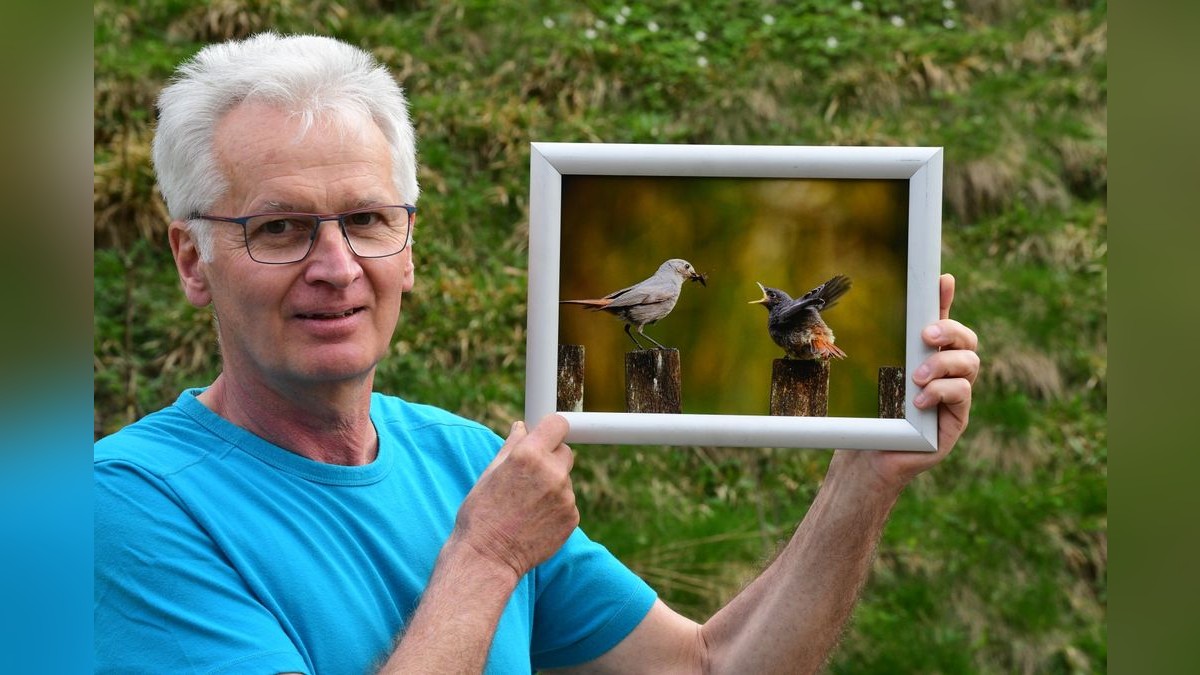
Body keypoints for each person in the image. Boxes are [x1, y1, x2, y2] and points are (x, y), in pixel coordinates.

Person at [93, 33, 980, 674]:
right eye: (278, 228)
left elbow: (708, 667)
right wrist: (484, 556)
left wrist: (862, 477)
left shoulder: (467, 462)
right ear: (192, 260)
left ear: (409, 246)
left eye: (367, 220)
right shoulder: (119, 509)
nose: (338, 268)